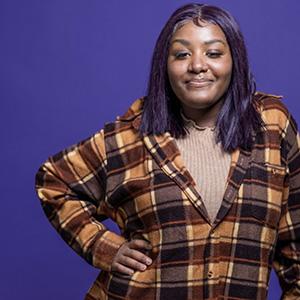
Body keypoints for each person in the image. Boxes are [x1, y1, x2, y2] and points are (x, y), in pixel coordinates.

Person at [35, 3, 300, 300]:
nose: (197, 65)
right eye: (182, 54)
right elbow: (53, 181)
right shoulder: (130, 136)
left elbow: (296, 241)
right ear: (165, 64)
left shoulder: (273, 125)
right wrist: (104, 247)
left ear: (235, 60)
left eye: (213, 53)